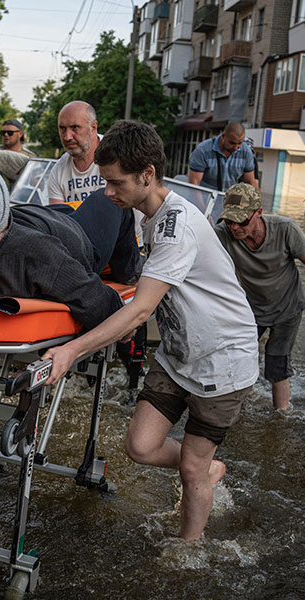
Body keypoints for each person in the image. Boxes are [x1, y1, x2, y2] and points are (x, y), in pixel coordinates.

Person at [42, 121, 259, 541]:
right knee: (140, 447)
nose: (107, 193)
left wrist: (71, 352)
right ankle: (207, 467)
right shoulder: (147, 214)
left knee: (191, 468)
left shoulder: (176, 225)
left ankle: (187, 550)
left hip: (223, 361)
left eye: (114, 183)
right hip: (179, 354)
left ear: (147, 174)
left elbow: (142, 310)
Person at [0, 165, 140, 331]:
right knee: (111, 197)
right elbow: (98, 303)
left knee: (62, 210)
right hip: (81, 241)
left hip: (44, 221)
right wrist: (131, 322)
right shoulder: (33, 251)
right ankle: (130, 272)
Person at [214, 182, 305, 410]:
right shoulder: (222, 234)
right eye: (229, 221)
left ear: (258, 213)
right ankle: (234, 411)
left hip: (287, 308)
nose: (235, 228)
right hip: (249, 310)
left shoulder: (285, 228)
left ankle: (281, 418)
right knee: (235, 360)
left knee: (277, 367)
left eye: (242, 221)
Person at [47, 101, 106, 205]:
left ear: (93, 127)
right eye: (62, 129)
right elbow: (57, 218)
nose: (67, 137)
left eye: (75, 127)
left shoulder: (118, 154)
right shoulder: (58, 171)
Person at [187, 122, 259, 192]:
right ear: (223, 136)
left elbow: (250, 183)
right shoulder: (203, 150)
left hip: (231, 200)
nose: (236, 147)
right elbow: (194, 185)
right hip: (206, 199)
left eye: (240, 143)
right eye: (232, 143)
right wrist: (201, 204)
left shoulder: (246, 151)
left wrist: (256, 203)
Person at [0, 118, 37, 186]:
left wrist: (25, 171)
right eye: (3, 133)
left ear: (20, 134)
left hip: (17, 195)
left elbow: (40, 186)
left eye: (10, 133)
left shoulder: (31, 157)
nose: (6, 135)